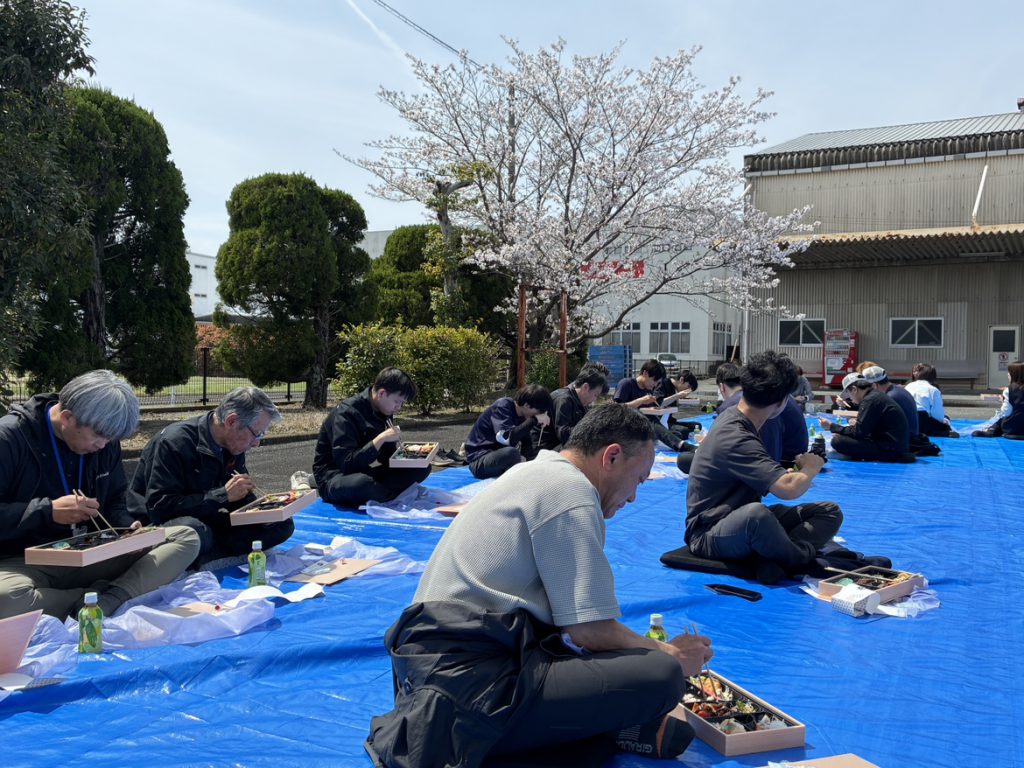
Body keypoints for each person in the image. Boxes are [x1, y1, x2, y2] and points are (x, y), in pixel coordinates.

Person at [366, 404, 712, 767]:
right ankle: (597, 728)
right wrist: (670, 654)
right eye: (639, 480)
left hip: (434, 669)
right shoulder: (572, 493)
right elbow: (589, 631)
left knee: (622, 660)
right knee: (660, 676)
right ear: (611, 457)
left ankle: (600, 726)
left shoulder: (537, 470)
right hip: (471, 684)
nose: (634, 497)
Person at [0, 370, 200, 619]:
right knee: (6, 598)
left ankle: (107, 600)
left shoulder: (105, 440)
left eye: (110, 439)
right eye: (99, 436)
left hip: (90, 552)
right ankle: (95, 598)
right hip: (24, 563)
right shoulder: (9, 438)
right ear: (67, 418)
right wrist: (47, 512)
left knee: (186, 537)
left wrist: (127, 529)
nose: (103, 445)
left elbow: (115, 499)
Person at [685, 352, 842, 585]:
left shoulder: (741, 418)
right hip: (709, 532)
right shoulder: (735, 434)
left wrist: (788, 474)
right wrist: (811, 467)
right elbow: (788, 489)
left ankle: (773, 557)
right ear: (781, 402)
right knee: (757, 516)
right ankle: (800, 559)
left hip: (739, 516)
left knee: (829, 511)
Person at [130, 387, 292, 563]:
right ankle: (205, 554)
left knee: (282, 524)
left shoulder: (232, 444)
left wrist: (263, 513)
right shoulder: (174, 442)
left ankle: (203, 556)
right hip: (168, 524)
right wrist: (222, 496)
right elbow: (160, 508)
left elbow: (239, 498)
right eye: (257, 434)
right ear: (231, 421)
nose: (256, 444)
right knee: (196, 531)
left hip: (208, 516)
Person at [313, 368, 429, 507]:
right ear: (381, 393)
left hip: (363, 471)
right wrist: (380, 439)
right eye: (397, 402)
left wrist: (412, 456)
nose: (399, 407)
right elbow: (347, 464)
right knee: (363, 484)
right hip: (334, 477)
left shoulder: (384, 409)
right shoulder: (346, 413)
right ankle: (387, 493)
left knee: (422, 468)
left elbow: (385, 458)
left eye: (402, 403)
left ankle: (383, 494)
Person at [819, 372, 914, 462]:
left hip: (891, 449)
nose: (849, 397)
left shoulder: (870, 400)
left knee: (838, 441)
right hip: (894, 445)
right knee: (843, 437)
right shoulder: (874, 396)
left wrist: (832, 426)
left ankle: (854, 455)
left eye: (848, 393)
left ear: (854, 389)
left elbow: (859, 432)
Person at [465, 384, 553, 479]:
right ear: (527, 405)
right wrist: (534, 419)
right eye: (540, 411)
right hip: (479, 461)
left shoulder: (523, 416)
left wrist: (534, 463)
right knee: (511, 453)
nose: (541, 415)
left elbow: (527, 444)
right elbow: (507, 438)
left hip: (497, 459)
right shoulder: (503, 406)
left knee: (542, 453)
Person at [860, 365, 939, 456]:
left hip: (904, 441)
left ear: (874, 385)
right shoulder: (897, 390)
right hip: (911, 437)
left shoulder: (889, 398)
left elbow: (874, 427)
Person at [613, 359, 686, 451]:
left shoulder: (648, 390)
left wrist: (655, 408)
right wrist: (641, 401)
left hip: (643, 428)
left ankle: (676, 442)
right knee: (650, 420)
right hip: (626, 427)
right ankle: (680, 445)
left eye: (657, 383)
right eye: (654, 380)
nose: (655, 385)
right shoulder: (626, 384)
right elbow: (615, 409)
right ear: (645, 373)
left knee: (679, 433)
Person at [538, 367, 608, 451]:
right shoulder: (564, 400)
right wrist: (591, 428)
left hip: (556, 446)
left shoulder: (579, 401)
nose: (594, 399)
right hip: (545, 449)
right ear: (585, 387)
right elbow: (563, 434)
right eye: (595, 395)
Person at [905, 363, 958, 438]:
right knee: (945, 422)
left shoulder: (908, 386)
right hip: (922, 421)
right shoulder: (933, 390)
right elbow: (938, 415)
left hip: (907, 420)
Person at [973, 360, 1024, 439]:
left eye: (1009, 373)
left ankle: (991, 430)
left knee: (1001, 419)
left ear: (1014, 375)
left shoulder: (1010, 390)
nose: (1007, 375)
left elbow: (1005, 413)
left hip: (1014, 430)